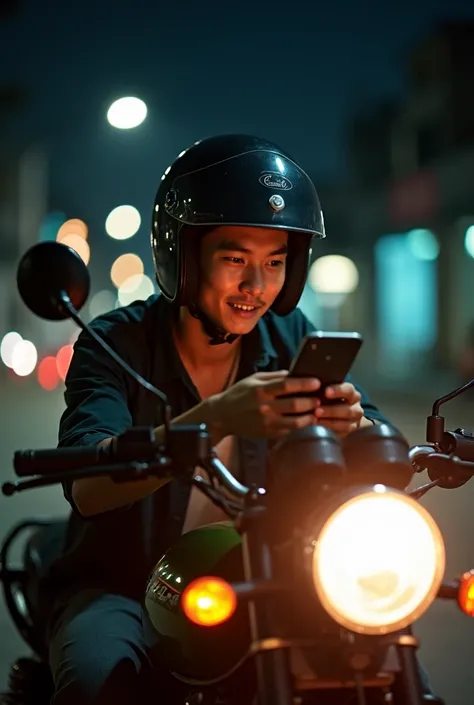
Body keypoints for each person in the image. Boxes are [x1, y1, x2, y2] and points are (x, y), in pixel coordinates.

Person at [41, 134, 432, 704]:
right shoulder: (113, 343)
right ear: (183, 255)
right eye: (234, 260)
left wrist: (359, 427)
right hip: (119, 582)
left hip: (263, 576)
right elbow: (90, 487)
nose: (256, 287)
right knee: (99, 680)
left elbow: (376, 438)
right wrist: (221, 414)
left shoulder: (290, 336)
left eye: (275, 263)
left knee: (380, 659)